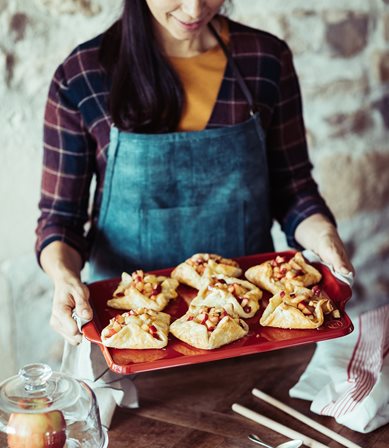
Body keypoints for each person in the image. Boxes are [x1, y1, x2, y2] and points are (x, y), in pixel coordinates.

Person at [36, 0, 354, 347]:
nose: (194, 9)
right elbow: (60, 219)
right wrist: (64, 276)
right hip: (125, 336)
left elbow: (293, 189)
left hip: (253, 332)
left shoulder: (264, 59)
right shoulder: (81, 76)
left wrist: (323, 235)